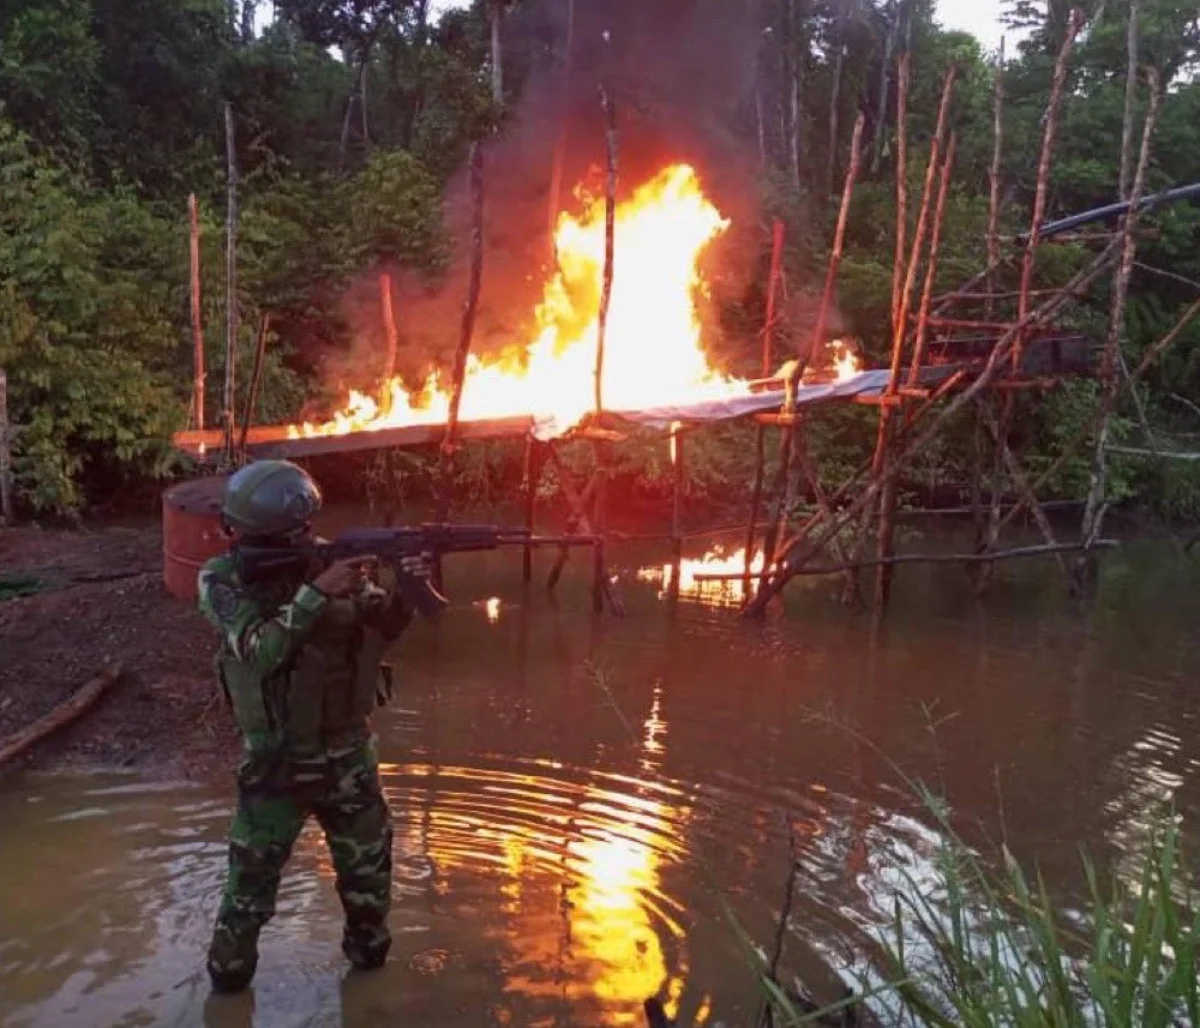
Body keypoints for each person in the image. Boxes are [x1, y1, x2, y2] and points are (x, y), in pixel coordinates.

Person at [196, 459, 427, 994]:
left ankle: (369, 986)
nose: (305, 536)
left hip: (347, 754)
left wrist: (411, 584)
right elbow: (260, 651)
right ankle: (227, 993)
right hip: (274, 761)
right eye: (294, 531)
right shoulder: (222, 579)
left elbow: (382, 623)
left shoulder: (330, 561)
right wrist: (318, 591)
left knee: (369, 883)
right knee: (247, 895)